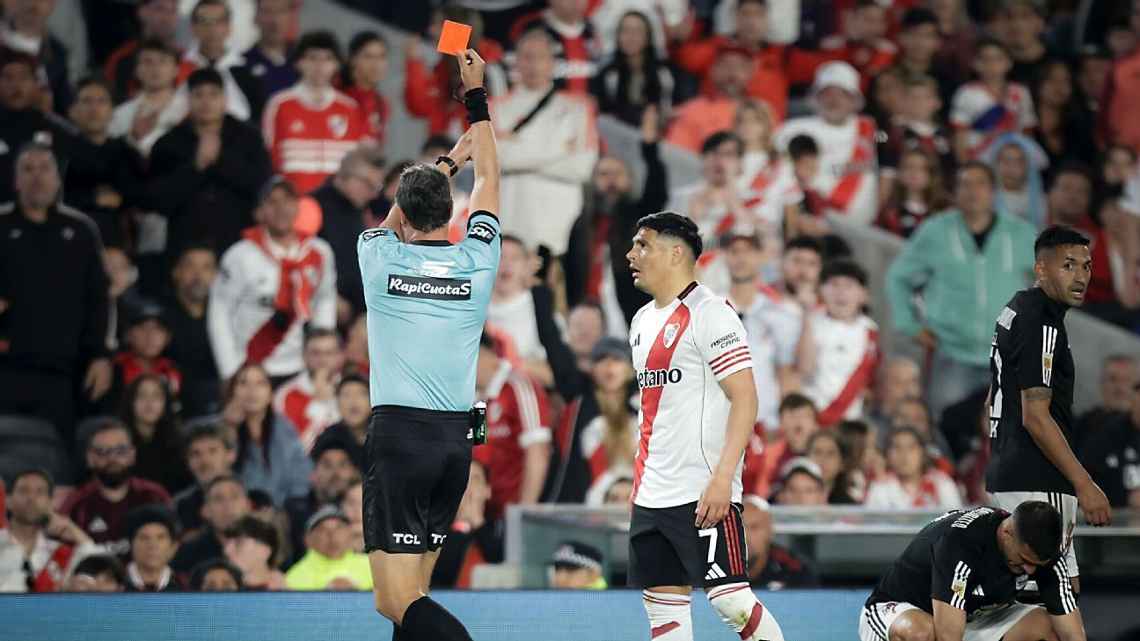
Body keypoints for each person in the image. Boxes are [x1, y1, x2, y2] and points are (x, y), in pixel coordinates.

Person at [357, 48, 500, 641]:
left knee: (394, 601)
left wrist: (443, 164)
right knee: (416, 592)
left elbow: (395, 221)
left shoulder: (377, 256)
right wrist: (476, 99)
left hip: (400, 437)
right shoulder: (478, 259)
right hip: (453, 443)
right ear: (451, 213)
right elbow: (489, 179)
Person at [624, 212, 785, 641]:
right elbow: (653, 414)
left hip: (702, 491)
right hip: (651, 493)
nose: (631, 255)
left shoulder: (711, 313)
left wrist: (723, 479)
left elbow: (745, 398)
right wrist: (639, 489)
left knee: (732, 603)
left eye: (643, 245)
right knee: (664, 615)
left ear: (676, 253)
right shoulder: (641, 321)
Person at [986, 226, 1113, 593]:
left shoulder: (1017, 308)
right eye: (1068, 265)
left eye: (1086, 266)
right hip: (1037, 478)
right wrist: (1084, 483)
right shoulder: (1040, 320)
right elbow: (1036, 416)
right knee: (1052, 597)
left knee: (1052, 592)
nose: (1080, 276)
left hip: (1013, 472)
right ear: (1040, 269)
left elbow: (993, 396)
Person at [885, 162, 1037, 423]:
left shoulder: (1021, 234)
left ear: (993, 191)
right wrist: (909, 324)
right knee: (944, 424)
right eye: (965, 184)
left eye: (980, 184)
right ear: (955, 192)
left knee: (1004, 432)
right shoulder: (936, 230)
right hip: (952, 353)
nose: (973, 191)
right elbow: (898, 278)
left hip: (1006, 357)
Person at [0, 142, 111, 445]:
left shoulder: (81, 230)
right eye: (28, 169)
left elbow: (99, 299)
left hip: (65, 372)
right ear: (16, 180)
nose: (37, 177)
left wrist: (100, 355)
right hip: (7, 369)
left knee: (58, 453)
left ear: (58, 178)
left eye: (45, 169)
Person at [858, 502, 1085, 641]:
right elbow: (947, 637)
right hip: (903, 612)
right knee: (920, 633)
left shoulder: (1044, 556)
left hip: (969, 618)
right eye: (1024, 560)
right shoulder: (960, 544)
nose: (1030, 570)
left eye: (1037, 564)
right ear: (1007, 532)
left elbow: (1073, 635)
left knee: (1048, 628)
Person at [208, 177, 337, 381]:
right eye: (272, 201)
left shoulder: (318, 251)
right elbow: (219, 312)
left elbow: (325, 298)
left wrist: (322, 359)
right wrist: (230, 371)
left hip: (301, 368)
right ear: (259, 211)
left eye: (288, 200)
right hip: (251, 369)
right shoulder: (240, 255)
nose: (281, 208)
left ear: (298, 206)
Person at [494, 28, 598, 255]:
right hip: (509, 217)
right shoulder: (495, 108)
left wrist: (516, 149)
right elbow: (493, 162)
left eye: (541, 57)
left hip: (561, 223)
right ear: (516, 61)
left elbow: (582, 167)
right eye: (527, 57)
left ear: (553, 62)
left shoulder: (579, 108)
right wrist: (560, 149)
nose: (534, 65)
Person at [148, 68, 271, 255]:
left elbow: (261, 184)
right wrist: (196, 167)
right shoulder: (168, 143)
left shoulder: (249, 138)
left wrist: (221, 160)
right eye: (198, 95)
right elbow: (157, 199)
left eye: (213, 94)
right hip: (186, 245)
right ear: (188, 100)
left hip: (239, 242)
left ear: (225, 99)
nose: (206, 102)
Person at [564, 103, 663, 328]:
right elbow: (571, 272)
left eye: (617, 174)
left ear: (629, 180)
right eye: (604, 174)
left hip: (631, 315)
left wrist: (649, 147)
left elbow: (657, 192)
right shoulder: (582, 225)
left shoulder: (641, 219)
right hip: (588, 316)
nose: (610, 181)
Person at [262, 30, 369, 194]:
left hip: (338, 201)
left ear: (337, 65)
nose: (320, 65)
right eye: (312, 58)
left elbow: (357, 162)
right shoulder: (279, 105)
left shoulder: (350, 109)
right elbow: (268, 157)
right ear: (298, 62)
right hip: (294, 200)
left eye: (328, 58)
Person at [775, 62, 879, 224]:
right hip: (805, 220)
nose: (834, 100)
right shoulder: (791, 130)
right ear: (816, 98)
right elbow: (779, 176)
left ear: (854, 100)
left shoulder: (871, 131)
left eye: (843, 94)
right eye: (827, 93)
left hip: (861, 228)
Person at [722, 229, 803, 431]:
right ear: (724, 256)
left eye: (748, 251)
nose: (741, 258)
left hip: (767, 422)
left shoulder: (783, 313)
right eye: (734, 251)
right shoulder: (707, 309)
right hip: (720, 423)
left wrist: (787, 423)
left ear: (761, 256)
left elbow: (787, 372)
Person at [473, 332, 553, 520]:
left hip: (516, 511)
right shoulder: (477, 400)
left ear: (485, 354)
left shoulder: (518, 387)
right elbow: (478, 453)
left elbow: (538, 451)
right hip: (489, 513)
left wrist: (524, 512)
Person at [62, 419, 172, 554]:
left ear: (132, 454)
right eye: (103, 451)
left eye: (121, 450)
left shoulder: (154, 496)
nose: (112, 458)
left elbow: (173, 547)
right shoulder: (76, 505)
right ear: (90, 458)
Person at [64, 76, 146, 246]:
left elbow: (141, 194)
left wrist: (121, 200)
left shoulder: (127, 152)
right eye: (87, 101)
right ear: (73, 111)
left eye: (101, 101)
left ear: (112, 111)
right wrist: (92, 199)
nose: (94, 109)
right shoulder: (59, 153)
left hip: (120, 237)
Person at [801, 259, 879, 427]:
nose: (841, 292)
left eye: (849, 285)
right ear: (821, 290)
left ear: (863, 294)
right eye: (834, 284)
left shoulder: (870, 331)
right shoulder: (811, 322)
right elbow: (805, 369)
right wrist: (806, 318)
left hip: (851, 422)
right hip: (813, 419)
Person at [222, 363, 314, 506]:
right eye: (244, 383)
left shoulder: (284, 428)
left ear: (271, 393)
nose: (252, 391)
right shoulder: (217, 429)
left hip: (283, 508)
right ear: (232, 391)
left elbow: (301, 474)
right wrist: (230, 428)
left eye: (260, 383)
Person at [313, 146, 387, 319]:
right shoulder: (314, 208)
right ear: (346, 176)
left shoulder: (357, 209)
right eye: (370, 185)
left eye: (377, 187)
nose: (373, 195)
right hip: (326, 310)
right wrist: (330, 298)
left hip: (357, 311)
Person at [0, 469, 95, 592]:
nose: (31, 498)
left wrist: (79, 537)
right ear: (8, 501)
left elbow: (103, 570)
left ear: (50, 502)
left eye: (40, 492)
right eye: (23, 491)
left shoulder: (60, 552)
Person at [950, 38, 1036, 162]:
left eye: (998, 58)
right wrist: (964, 164)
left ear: (1009, 63)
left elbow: (1027, 131)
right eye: (986, 59)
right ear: (976, 64)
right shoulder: (966, 93)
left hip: (1012, 160)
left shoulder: (1021, 92)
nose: (992, 64)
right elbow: (960, 135)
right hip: (978, 157)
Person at [182, 0, 264, 123]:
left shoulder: (247, 70)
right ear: (193, 28)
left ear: (229, 27)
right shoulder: (178, 67)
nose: (212, 29)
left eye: (219, 21)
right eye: (204, 21)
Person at [590, 11, 677, 126]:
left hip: (661, 129)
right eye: (625, 31)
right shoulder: (607, 74)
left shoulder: (665, 71)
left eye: (637, 31)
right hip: (619, 131)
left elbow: (676, 108)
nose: (631, 37)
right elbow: (604, 113)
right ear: (617, 36)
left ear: (647, 37)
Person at [163, 244, 220, 418]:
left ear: (216, 275)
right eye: (190, 266)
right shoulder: (160, 317)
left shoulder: (227, 317)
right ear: (176, 272)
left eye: (206, 267)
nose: (198, 275)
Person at [284, 436, 360, 562]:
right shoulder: (293, 512)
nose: (336, 473)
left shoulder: (362, 512)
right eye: (327, 465)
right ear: (312, 473)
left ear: (354, 472)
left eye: (343, 465)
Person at [108, 38, 186, 158]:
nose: (155, 68)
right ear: (136, 70)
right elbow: (111, 155)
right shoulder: (121, 114)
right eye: (147, 62)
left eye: (162, 61)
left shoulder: (190, 109)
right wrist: (134, 137)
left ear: (176, 69)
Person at [272, 328, 344, 450]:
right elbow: (291, 446)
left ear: (340, 356)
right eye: (316, 353)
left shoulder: (353, 390)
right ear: (304, 356)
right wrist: (319, 402)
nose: (323, 360)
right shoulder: (286, 394)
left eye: (329, 353)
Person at [120, 374, 190, 494]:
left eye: (157, 396)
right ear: (131, 401)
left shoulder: (178, 441)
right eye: (142, 395)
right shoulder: (118, 441)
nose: (149, 402)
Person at [865, 427, 963, 510]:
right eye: (897, 447)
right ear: (887, 454)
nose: (904, 455)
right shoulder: (880, 486)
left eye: (911, 448)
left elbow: (956, 521)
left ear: (922, 453)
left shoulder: (941, 483)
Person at [172, 475, 251, 574]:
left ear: (248, 506)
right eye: (218, 499)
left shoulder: (266, 548)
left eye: (234, 497)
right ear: (205, 511)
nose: (228, 505)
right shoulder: (186, 556)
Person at [285, 506, 372, 590]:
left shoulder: (371, 565)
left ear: (350, 533)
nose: (332, 534)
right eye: (322, 529)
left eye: (339, 527)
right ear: (308, 539)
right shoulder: (295, 576)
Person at [740, 496, 818, 590]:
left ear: (769, 531)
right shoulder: (722, 567)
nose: (745, 535)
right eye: (739, 527)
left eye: (754, 527)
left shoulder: (795, 572)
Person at [173, 423, 237, 534]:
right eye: (196, 454)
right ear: (187, 461)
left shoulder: (254, 497)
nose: (204, 460)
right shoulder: (181, 505)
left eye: (212, 451)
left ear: (230, 455)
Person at [340, 31, 389, 145]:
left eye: (382, 57)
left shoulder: (382, 104)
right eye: (368, 57)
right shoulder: (337, 98)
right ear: (353, 60)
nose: (376, 65)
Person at [124, 505, 181, 591]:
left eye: (160, 538)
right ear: (130, 544)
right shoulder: (113, 585)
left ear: (174, 547)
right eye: (144, 537)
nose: (152, 545)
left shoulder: (187, 586)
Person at [223, 514, 285, 590]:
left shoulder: (288, 591)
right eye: (227, 543)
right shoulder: (219, 589)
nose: (227, 550)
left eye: (239, 543)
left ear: (264, 551)